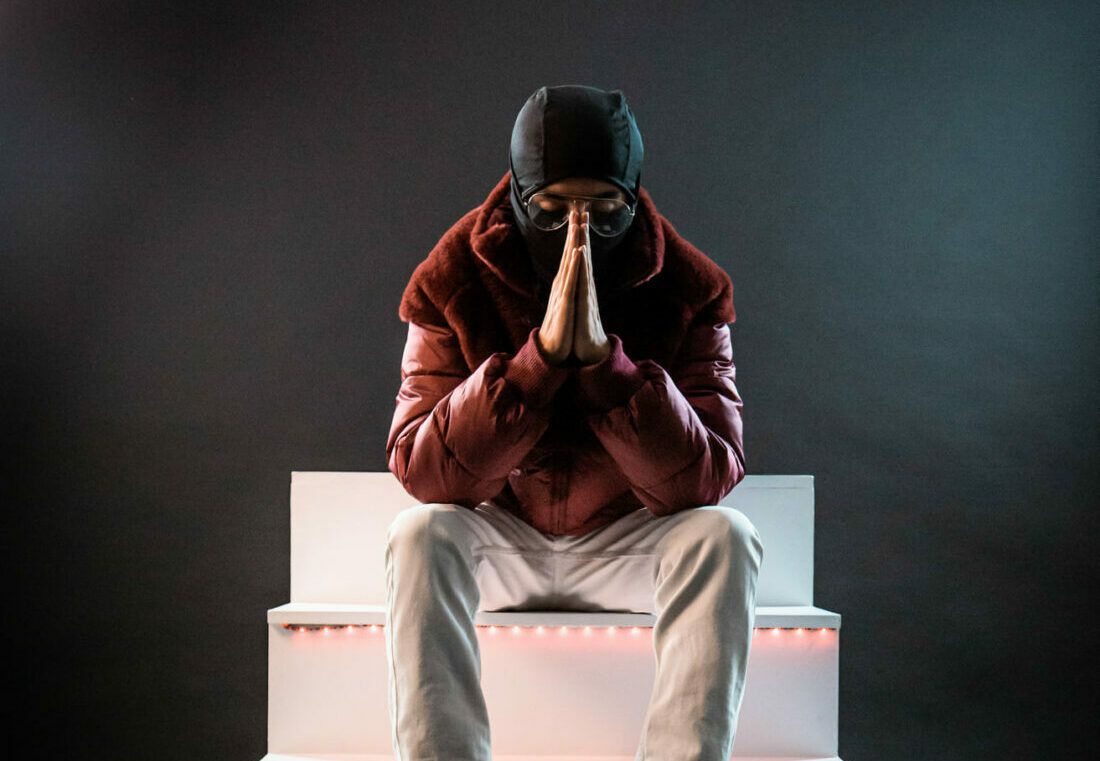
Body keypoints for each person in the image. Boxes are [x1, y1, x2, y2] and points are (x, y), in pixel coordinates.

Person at [384, 84, 764, 761]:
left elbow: (708, 476)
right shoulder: (453, 277)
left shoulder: (691, 288)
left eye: (604, 211)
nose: (578, 234)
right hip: (502, 538)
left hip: (623, 539)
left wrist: (607, 372)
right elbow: (422, 470)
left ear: (633, 197)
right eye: (553, 211)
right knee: (419, 533)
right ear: (519, 194)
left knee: (725, 535)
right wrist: (534, 368)